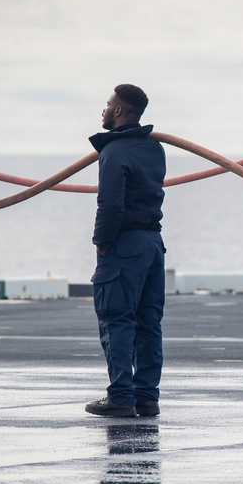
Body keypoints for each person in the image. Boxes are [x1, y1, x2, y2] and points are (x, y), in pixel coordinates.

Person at [84, 84, 167, 418]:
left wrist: (101, 244)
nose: (103, 110)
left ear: (119, 111)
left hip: (125, 245)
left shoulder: (114, 153)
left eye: (107, 104)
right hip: (153, 245)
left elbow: (110, 205)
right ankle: (146, 395)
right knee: (149, 322)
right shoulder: (154, 149)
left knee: (117, 319)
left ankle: (120, 395)